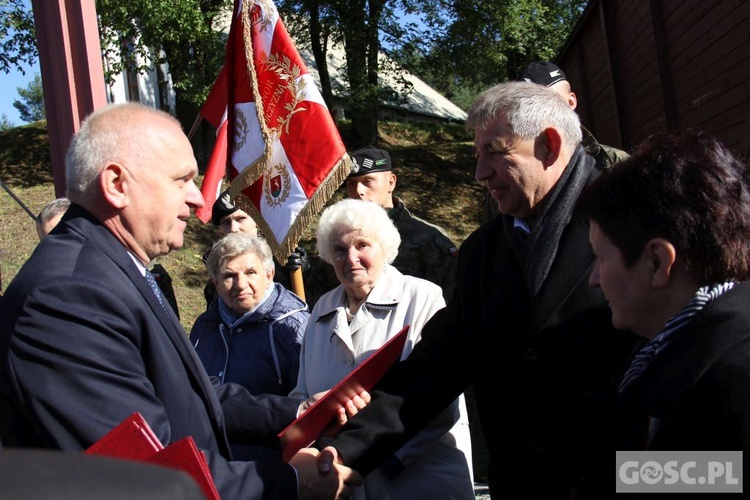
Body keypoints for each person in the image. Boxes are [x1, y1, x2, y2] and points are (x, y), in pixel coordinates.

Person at [0, 102, 363, 500]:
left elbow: (185, 390)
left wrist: (298, 413)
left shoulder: (112, 271)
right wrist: (293, 482)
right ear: (117, 185)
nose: (197, 199)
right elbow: (139, 474)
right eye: (182, 180)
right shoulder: (69, 296)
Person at [317, 82, 642, 499]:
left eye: (496, 152)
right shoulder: (482, 255)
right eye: (476, 155)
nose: (479, 172)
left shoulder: (636, 222)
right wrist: (341, 453)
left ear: (549, 145)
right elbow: (432, 370)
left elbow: (698, 376)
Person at [576, 130, 750, 462]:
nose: (594, 280)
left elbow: (712, 481)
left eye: (600, 258)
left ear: (658, 262)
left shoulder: (734, 377)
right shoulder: (671, 346)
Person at [291, 198, 474, 499]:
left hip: (416, 479)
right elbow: (301, 392)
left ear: (384, 248)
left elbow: (439, 397)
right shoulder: (321, 309)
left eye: (362, 245)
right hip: (339, 478)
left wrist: (360, 456)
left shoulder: (421, 297)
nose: (351, 258)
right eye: (339, 249)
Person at [191, 232, 309, 460]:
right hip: (210, 459)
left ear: (269, 274)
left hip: (267, 466)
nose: (240, 284)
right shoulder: (205, 325)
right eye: (229, 276)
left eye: (250, 273)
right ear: (215, 282)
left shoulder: (295, 328)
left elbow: (305, 407)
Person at [481, 60, 631, 223]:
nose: (540, 114)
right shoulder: (507, 183)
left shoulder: (615, 163)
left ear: (571, 102)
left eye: (551, 102)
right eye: (528, 107)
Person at [345, 146, 459, 301]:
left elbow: (452, 302)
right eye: (351, 183)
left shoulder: (429, 239)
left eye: (367, 181)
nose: (359, 190)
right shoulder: (341, 238)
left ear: (391, 182)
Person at [204, 188, 308, 308]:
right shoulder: (216, 265)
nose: (233, 228)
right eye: (226, 222)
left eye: (240, 219)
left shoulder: (281, 258)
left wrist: (304, 275)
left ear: (257, 221)